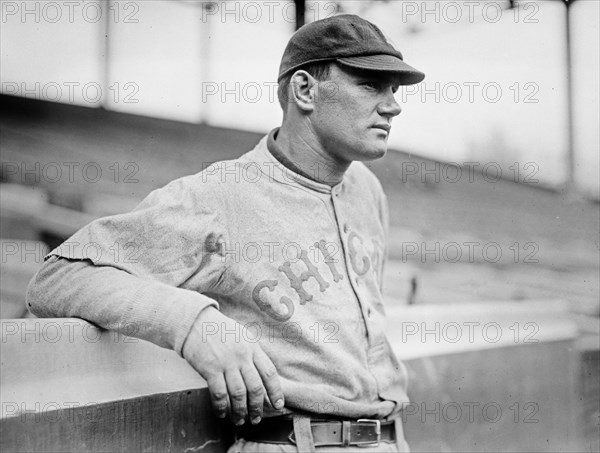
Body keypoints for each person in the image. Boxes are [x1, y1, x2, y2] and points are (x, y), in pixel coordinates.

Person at [26, 14, 425, 453]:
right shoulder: (219, 198)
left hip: (389, 438)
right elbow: (60, 276)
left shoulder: (367, 190)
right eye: (371, 85)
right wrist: (196, 324)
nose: (393, 105)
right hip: (293, 440)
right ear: (305, 90)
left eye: (395, 89)